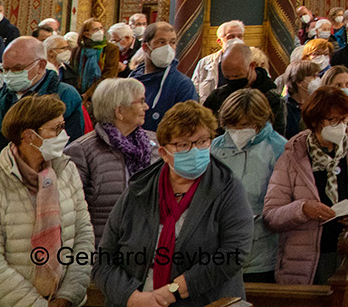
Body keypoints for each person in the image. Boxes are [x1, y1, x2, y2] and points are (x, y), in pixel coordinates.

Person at [96, 101, 253, 306]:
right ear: (163, 152)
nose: (195, 150)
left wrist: (171, 292)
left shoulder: (227, 189)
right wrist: (132, 298)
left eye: (203, 141)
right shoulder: (138, 191)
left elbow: (232, 255)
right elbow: (104, 260)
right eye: (184, 144)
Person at [264, 86, 348, 283]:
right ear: (315, 120)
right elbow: (271, 215)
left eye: (344, 119)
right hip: (305, 258)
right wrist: (303, 209)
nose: (340, 126)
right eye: (333, 120)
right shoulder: (293, 157)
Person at [0, 94, 93, 307]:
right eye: (56, 129)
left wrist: (68, 295)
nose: (64, 135)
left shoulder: (67, 170)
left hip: (66, 299)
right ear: (29, 136)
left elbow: (83, 232)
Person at [64, 77, 155, 242]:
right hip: (101, 248)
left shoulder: (153, 145)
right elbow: (71, 210)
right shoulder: (82, 151)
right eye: (141, 101)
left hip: (145, 244)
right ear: (119, 111)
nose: (146, 106)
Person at [212, 88, 288, 283]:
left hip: (262, 253)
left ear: (260, 120)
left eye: (245, 125)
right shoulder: (215, 147)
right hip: (219, 250)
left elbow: (283, 200)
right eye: (232, 125)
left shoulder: (279, 148)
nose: (238, 131)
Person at [0, 37, 85, 158]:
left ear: (41, 65)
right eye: (5, 69)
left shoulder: (65, 95)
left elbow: (71, 146)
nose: (9, 75)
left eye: (17, 69)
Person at [203, 41, 289, 137]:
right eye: (228, 77)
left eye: (237, 76)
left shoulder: (273, 99)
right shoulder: (217, 96)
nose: (232, 81)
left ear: (252, 66)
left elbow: (276, 135)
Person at [132, 22, 199, 131]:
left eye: (172, 42)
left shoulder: (182, 85)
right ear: (145, 47)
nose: (168, 47)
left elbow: (187, 127)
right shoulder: (131, 80)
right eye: (161, 42)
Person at [193, 21, 246, 101]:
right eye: (231, 37)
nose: (236, 40)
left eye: (239, 36)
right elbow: (195, 91)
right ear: (220, 42)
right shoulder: (205, 63)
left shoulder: (253, 61)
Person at [74, 18, 121, 96]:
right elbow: (73, 73)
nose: (100, 31)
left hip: (102, 93)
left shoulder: (111, 49)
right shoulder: (77, 50)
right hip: (78, 93)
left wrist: (88, 94)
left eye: (101, 28)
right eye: (95, 29)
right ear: (86, 34)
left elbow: (109, 75)